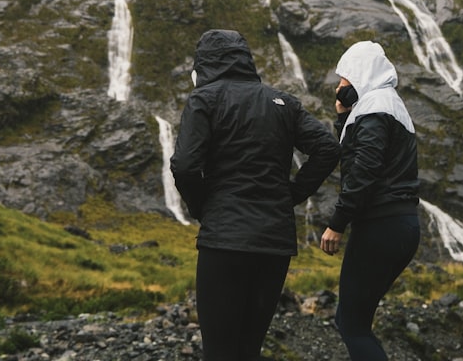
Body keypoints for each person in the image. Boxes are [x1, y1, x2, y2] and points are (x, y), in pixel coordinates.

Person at [170, 29, 340, 361]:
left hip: (225, 239)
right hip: (274, 242)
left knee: (219, 350)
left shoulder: (205, 98)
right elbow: (328, 147)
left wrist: (203, 207)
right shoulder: (283, 102)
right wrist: (290, 195)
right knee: (249, 349)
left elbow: (186, 165)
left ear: (204, 63)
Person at [320, 40, 420, 361]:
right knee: (357, 321)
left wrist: (337, 223)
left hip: (380, 225)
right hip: (401, 224)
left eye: (344, 80)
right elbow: (361, 152)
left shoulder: (376, 108)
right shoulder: (388, 105)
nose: (338, 88)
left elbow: (364, 169)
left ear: (361, 76)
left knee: (351, 323)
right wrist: (343, 117)